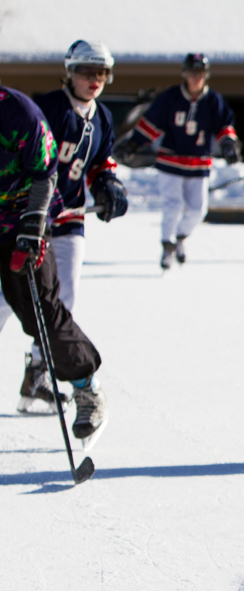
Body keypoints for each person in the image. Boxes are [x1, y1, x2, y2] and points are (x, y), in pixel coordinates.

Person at [2, 40, 128, 415]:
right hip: (15, 219)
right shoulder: (51, 107)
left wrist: (108, 183)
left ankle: (45, 372)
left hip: (61, 213)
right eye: (87, 72)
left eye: (101, 73)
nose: (95, 80)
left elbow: (99, 161)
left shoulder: (98, 117)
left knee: (55, 302)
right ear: (70, 72)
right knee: (14, 303)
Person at [0, 85, 107, 444]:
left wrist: (33, 224)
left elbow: (45, 172)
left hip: (22, 218)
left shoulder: (19, 112)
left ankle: (86, 387)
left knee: (41, 312)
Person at [119, 53, 240, 270]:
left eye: (200, 73)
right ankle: (167, 247)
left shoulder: (213, 100)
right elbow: (152, 123)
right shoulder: (171, 97)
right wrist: (133, 144)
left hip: (198, 163)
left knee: (197, 209)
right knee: (172, 206)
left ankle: (180, 238)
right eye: (192, 72)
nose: (196, 77)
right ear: (184, 73)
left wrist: (229, 145)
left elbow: (224, 126)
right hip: (171, 161)